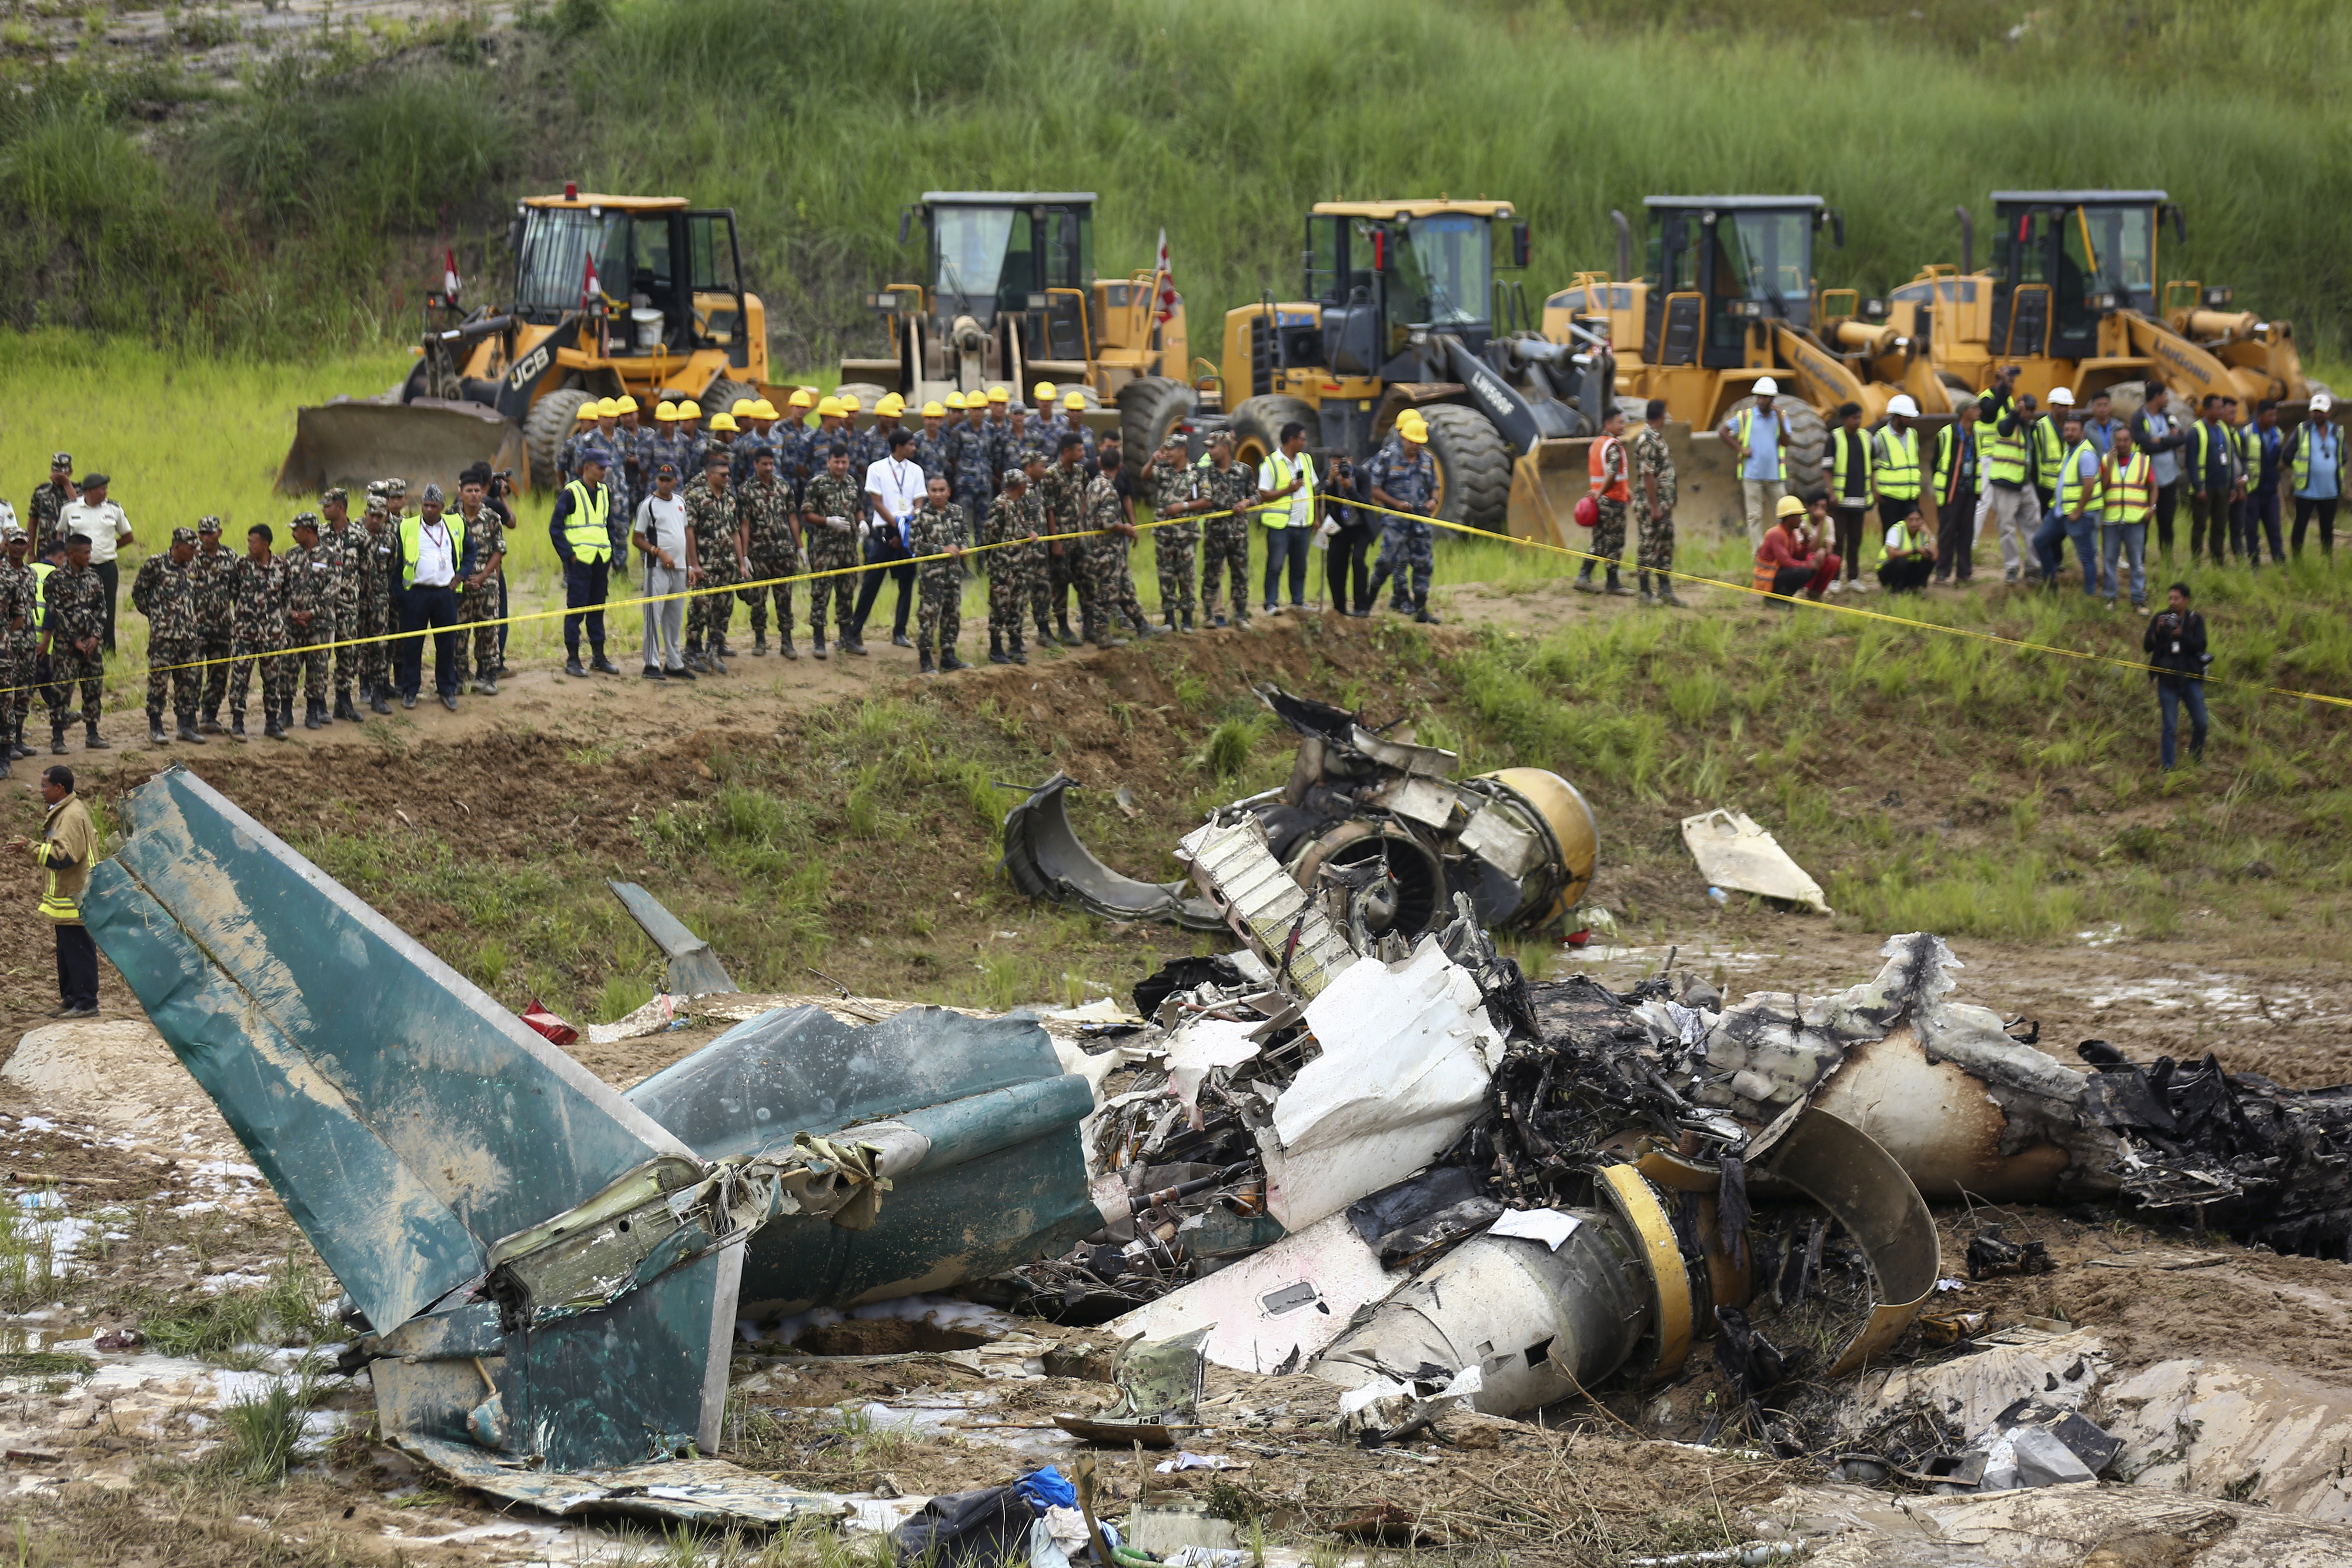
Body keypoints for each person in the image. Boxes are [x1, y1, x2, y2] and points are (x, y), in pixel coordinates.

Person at [12, 765, 98, 1015]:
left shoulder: (71, 815)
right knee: (66, 951)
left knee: (78, 950)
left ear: (59, 788)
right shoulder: (62, 811)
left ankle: (86, 1002)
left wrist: (30, 848)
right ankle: (71, 999)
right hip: (66, 896)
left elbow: (64, 857)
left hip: (77, 895)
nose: (41, 791)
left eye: (44, 786)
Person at [393, 486, 471, 711]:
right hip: (416, 594)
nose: (428, 510)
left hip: (445, 594)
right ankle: (410, 690)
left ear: (442, 507)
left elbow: (470, 552)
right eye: (425, 505)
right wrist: (401, 594)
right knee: (412, 644)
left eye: (433, 506)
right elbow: (398, 564)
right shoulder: (407, 527)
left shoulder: (455, 524)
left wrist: (461, 575)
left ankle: (446, 689)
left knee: (446, 644)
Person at [129, 526, 203, 746]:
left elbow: (193, 595)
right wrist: (156, 616)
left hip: (188, 635)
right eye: (191, 548)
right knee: (159, 681)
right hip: (164, 636)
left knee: (188, 681)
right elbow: (138, 593)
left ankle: (186, 726)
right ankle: (156, 726)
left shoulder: (193, 564)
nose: (194, 552)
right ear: (177, 546)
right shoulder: (156, 564)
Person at [551, 446, 620, 677]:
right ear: (587, 467)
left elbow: (608, 525)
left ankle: (598, 657)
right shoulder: (571, 493)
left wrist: (613, 552)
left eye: (606, 468)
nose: (604, 472)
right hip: (579, 561)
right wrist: (568, 555)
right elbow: (555, 528)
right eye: (601, 468)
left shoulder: (605, 492)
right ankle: (572, 659)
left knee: (597, 609)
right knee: (576, 610)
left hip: (601, 559)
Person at [857, 427, 927, 650]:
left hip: (908, 534)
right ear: (899, 447)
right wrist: (897, 526)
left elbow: (919, 504)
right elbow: (877, 503)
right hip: (884, 534)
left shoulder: (916, 471)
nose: (914, 448)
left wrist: (907, 526)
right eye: (911, 445)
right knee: (871, 584)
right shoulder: (877, 469)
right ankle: (854, 631)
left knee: (907, 584)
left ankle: (900, 632)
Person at [1366, 413, 1439, 618]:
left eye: (1419, 442)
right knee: (1388, 561)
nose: (1415, 446)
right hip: (1396, 522)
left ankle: (1421, 609)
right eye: (1412, 441)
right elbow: (1374, 488)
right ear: (1403, 437)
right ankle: (1367, 604)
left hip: (1420, 521)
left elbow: (1435, 487)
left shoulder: (1428, 459)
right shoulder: (1388, 457)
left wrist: (1434, 501)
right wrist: (1396, 504)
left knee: (1423, 564)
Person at [1084, 442, 1155, 646]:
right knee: (1107, 592)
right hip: (1105, 551)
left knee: (1126, 588)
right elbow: (1107, 521)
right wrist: (1126, 528)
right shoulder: (1109, 490)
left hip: (1104, 549)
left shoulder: (1094, 484)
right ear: (1120, 466)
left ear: (1099, 463)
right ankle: (1103, 636)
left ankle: (1143, 626)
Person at [41, 534, 106, 752]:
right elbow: (56, 613)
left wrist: (95, 637)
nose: (90, 556)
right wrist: (75, 640)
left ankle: (93, 733)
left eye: (90, 551)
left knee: (93, 687)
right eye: (86, 553)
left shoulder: (94, 577)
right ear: (71, 554)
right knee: (62, 691)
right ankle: (58, 737)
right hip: (66, 647)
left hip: (92, 646)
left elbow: (102, 609)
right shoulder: (55, 580)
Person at [228, 523, 292, 738]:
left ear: (265, 544)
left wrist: (275, 620)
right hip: (245, 633)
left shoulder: (282, 566)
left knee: (273, 679)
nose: (249, 546)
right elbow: (234, 592)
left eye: (253, 542)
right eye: (248, 541)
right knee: (239, 678)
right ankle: (237, 723)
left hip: (272, 634)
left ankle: (272, 723)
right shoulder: (241, 565)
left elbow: (287, 596)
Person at [632, 460, 695, 679]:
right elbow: (637, 539)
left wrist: (690, 565)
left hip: (679, 568)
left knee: (675, 618)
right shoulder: (648, 505)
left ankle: (674, 663)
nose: (665, 483)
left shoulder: (680, 502)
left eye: (669, 480)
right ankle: (651, 663)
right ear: (656, 480)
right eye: (661, 479)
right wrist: (659, 552)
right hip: (657, 567)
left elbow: (685, 534)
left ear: (676, 481)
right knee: (653, 615)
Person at [56, 473, 133, 652]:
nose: (105, 492)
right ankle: (79, 646)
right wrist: (66, 555)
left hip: (105, 566)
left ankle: (107, 648)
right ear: (89, 491)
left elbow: (128, 536)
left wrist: (110, 547)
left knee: (107, 608)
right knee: (77, 606)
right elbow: (60, 532)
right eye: (102, 489)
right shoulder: (70, 509)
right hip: (78, 568)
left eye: (106, 488)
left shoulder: (114, 509)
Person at [737, 446, 801, 658]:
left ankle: (787, 640)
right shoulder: (746, 490)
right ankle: (760, 639)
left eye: (771, 464)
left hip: (783, 552)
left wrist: (800, 547)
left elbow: (792, 517)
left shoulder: (784, 486)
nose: (768, 468)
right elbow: (744, 524)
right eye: (764, 464)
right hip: (759, 553)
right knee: (758, 599)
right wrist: (744, 556)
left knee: (785, 598)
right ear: (755, 465)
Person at [801, 444, 864, 660]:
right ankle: (819, 640)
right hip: (825, 549)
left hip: (848, 549)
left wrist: (862, 521)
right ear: (828, 462)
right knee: (821, 594)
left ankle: (846, 638)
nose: (841, 466)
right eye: (836, 462)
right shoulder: (817, 485)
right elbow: (807, 514)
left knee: (847, 593)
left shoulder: (851, 483)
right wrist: (827, 521)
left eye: (844, 462)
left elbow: (858, 507)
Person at [682, 449, 741, 670]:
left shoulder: (730, 500)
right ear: (710, 475)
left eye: (728, 474)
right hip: (705, 564)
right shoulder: (697, 497)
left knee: (724, 608)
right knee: (700, 607)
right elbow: (689, 531)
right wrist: (694, 564)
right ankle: (691, 650)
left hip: (727, 564)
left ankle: (714, 650)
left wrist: (741, 562)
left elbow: (735, 531)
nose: (727, 478)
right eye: (723, 474)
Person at [2030, 413, 2102, 595]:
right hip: (2060, 512)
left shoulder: (2086, 454)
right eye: (2067, 430)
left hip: (2078, 515)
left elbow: (2089, 485)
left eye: (2073, 430)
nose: (2069, 433)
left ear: (2082, 432)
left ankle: (2090, 595)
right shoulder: (2069, 450)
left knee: (2086, 557)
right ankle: (2051, 580)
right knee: (2040, 541)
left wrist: (2078, 511)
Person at [906, 473, 971, 673]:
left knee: (952, 614)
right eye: (934, 490)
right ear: (928, 493)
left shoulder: (957, 512)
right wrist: (940, 550)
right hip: (931, 577)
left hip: (953, 573)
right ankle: (925, 659)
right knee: (929, 615)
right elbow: (915, 545)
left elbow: (964, 535)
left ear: (949, 492)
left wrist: (964, 546)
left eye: (942, 490)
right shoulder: (920, 516)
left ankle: (949, 656)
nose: (938, 494)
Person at [1977, 382, 2039, 583]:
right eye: (2025, 409)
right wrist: (2015, 412)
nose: (2028, 414)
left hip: (2026, 485)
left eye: (2031, 410)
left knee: (2033, 526)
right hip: (2006, 484)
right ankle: (2012, 567)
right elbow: (2004, 428)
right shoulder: (2009, 424)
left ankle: (2033, 567)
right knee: (2006, 527)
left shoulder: (2032, 428)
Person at [1194, 432, 1255, 628]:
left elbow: (1256, 495)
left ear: (1225, 448)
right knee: (1211, 575)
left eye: (1213, 447)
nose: (1209, 451)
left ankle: (1240, 614)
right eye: (1209, 447)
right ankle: (1210, 614)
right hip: (1215, 534)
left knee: (1240, 574)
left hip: (1238, 533)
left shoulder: (1244, 471)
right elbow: (1201, 500)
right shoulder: (1206, 473)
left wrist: (1246, 502)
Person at [2144, 583, 2209, 770]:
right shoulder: (2160, 618)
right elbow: (2147, 647)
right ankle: (2168, 765)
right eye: (2170, 598)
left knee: (2202, 722)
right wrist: (2157, 632)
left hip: (2190, 679)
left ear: (2186, 600)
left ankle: (2196, 756)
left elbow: (2201, 646)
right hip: (2167, 680)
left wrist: (2182, 635)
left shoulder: (2196, 620)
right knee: (2170, 726)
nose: (2172, 602)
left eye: (2177, 599)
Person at [1140, 433, 1201, 631]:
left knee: (1187, 577)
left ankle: (1187, 619)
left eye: (1171, 449)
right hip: (1164, 534)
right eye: (1165, 449)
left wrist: (1182, 506)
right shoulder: (1163, 471)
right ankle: (1168, 618)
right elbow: (1145, 476)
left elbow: (1206, 500)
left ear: (1183, 451)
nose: (1167, 453)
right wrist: (1152, 460)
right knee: (1165, 576)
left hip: (1187, 534)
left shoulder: (1196, 473)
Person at [1039, 433, 1095, 644]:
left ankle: (1089, 626)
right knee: (1060, 584)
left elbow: (1085, 494)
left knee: (1087, 580)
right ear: (1066, 452)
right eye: (1079, 450)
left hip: (1079, 537)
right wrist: (1055, 541)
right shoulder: (1051, 475)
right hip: (1061, 539)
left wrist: (1081, 518)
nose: (1083, 454)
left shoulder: (1080, 471)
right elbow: (1049, 510)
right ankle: (1063, 628)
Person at [1257, 422, 1318, 614]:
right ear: (1292, 440)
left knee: (1300, 566)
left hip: (1303, 523)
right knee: (1275, 565)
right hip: (1280, 525)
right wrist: (1288, 490)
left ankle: (1298, 602)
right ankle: (1271, 603)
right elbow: (1263, 494)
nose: (1304, 443)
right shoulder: (1272, 463)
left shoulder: (1306, 460)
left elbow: (1313, 488)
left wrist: (1316, 517)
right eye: (1302, 439)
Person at [452, 472, 505, 693]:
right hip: (459, 585)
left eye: (477, 491)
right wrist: (460, 579)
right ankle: (458, 676)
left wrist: (483, 577)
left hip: (486, 584)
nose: (474, 495)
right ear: (461, 493)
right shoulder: (450, 518)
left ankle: (488, 675)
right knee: (458, 632)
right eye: (469, 491)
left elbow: (499, 550)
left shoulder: (492, 518)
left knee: (488, 631)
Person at [281, 513, 335, 730]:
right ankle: (286, 713)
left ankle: (313, 712)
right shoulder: (291, 555)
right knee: (288, 667)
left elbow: (333, 588)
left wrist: (313, 612)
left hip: (319, 623)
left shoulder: (330, 555)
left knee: (317, 669)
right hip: (294, 624)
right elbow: (283, 588)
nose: (293, 533)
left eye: (296, 529)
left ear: (309, 531)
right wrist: (291, 613)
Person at [319, 487, 369, 723]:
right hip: (323, 606)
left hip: (349, 604)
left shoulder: (359, 535)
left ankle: (344, 700)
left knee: (347, 653)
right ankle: (318, 704)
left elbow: (367, 570)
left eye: (327, 506)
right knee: (320, 654)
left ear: (340, 508)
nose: (323, 509)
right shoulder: (319, 534)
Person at [1719, 379, 1787, 549]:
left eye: (1765, 397)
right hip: (1752, 475)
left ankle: (1784, 549)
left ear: (1772, 399)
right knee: (1754, 516)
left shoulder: (1782, 417)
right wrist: (1740, 449)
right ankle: (1758, 553)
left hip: (1775, 475)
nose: (1761, 401)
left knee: (1783, 514)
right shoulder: (1745, 416)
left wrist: (1780, 420)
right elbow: (1723, 431)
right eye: (1759, 397)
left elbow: (1786, 442)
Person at [984, 464, 1038, 665]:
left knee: (1017, 605)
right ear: (1022, 486)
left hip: (1019, 566)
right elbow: (989, 537)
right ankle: (996, 647)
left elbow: (1017, 530)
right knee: (1000, 607)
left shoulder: (1016, 505)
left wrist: (1027, 535)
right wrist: (997, 560)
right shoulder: (1000, 506)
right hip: (1003, 567)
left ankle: (1015, 646)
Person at [2129, 385, 2191, 560]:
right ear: (2157, 397)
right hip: (2147, 480)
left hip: (2169, 478)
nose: (2167, 399)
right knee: (2144, 523)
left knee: (2167, 523)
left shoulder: (2167, 415)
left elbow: (2181, 438)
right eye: (2165, 395)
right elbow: (2146, 445)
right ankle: (2139, 561)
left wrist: (2162, 440)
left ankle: (2167, 560)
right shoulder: (2138, 418)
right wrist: (2168, 440)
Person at [1630, 398, 1682, 607]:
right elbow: (1648, 475)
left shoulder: (1656, 438)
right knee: (1648, 545)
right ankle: (1644, 592)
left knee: (1665, 544)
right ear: (1662, 416)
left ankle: (1665, 588)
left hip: (1663, 505)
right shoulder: (1648, 440)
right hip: (1652, 505)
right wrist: (1654, 506)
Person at [2099, 424, 2153, 611]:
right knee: (2109, 561)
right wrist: (2111, 463)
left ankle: (2138, 598)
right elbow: (2102, 487)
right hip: (2111, 520)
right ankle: (2110, 598)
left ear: (2131, 442)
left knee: (2136, 562)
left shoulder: (2143, 461)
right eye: (2119, 440)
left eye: (2125, 440)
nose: (2122, 444)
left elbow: (2153, 486)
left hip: (2135, 519)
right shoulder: (2106, 460)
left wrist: (2151, 507)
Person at [2184, 394, 2241, 567]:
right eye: (2218, 408)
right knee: (2200, 526)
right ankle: (2196, 562)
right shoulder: (2196, 431)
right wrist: (2198, 487)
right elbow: (2191, 462)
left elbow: (2230, 459)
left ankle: (2218, 562)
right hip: (2205, 487)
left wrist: (2232, 486)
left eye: (2222, 408)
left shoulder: (2224, 429)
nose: (2221, 412)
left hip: (2222, 486)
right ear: (2207, 409)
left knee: (2219, 526)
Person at [1751, 493, 1839, 603]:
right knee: (1804, 571)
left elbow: (1799, 556)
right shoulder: (1776, 534)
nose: (1801, 520)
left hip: (1777, 574)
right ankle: (1774, 599)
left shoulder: (1790, 534)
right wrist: (1808, 565)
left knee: (1808, 570)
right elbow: (1786, 562)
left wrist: (1806, 540)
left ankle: (1786, 597)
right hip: (1767, 578)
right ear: (1790, 517)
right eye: (1799, 516)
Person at [1824, 402, 1873, 593]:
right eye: (1855, 418)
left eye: (1860, 418)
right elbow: (1827, 469)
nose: (1858, 422)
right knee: (1837, 540)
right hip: (1840, 501)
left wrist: (1873, 492)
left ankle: (1853, 578)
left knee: (1855, 540)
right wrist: (1832, 493)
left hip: (1859, 500)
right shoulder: (1834, 438)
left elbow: (1873, 467)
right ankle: (1834, 579)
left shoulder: (1866, 438)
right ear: (1845, 419)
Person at [192, 516, 235, 730]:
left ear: (219, 532)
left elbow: (238, 591)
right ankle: (189, 719)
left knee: (219, 673)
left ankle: (210, 716)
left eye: (210, 533)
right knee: (192, 674)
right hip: (196, 627)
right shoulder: (191, 556)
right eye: (202, 533)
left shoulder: (231, 557)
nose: (206, 538)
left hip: (222, 626)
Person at [356, 487, 396, 714]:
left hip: (379, 601)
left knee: (380, 646)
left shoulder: (389, 539)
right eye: (372, 515)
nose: (375, 520)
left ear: (386, 517)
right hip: (356, 601)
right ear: (365, 513)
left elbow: (390, 569)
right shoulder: (354, 536)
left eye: (380, 516)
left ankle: (378, 695)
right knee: (358, 646)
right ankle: (362, 687)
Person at [2287, 392, 2343, 557]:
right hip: (2306, 490)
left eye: (2322, 411)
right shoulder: (2302, 430)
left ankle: (2327, 560)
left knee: (2327, 528)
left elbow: (2343, 456)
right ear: (2311, 412)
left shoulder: (2338, 432)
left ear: (2329, 412)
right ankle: (2297, 560)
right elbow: (2288, 455)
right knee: (2301, 525)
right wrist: (2300, 469)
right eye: (2315, 411)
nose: (2318, 415)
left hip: (2329, 490)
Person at [1320, 453, 1375, 617]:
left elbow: (1366, 505)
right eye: (1336, 465)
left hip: (1361, 527)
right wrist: (1329, 483)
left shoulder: (1362, 475)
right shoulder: (1327, 475)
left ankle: (1361, 607)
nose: (1341, 468)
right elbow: (1324, 501)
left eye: (1343, 463)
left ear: (1351, 460)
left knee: (1358, 561)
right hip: (1340, 528)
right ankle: (1339, 608)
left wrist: (1350, 488)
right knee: (1335, 565)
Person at [0, 526, 36, 766]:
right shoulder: (2, 572)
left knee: (26, 690)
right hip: (7, 645)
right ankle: (8, 743)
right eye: (14, 543)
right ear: (6, 544)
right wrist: (7, 636)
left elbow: (28, 610)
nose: (19, 547)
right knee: (8, 694)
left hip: (28, 641)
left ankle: (20, 737)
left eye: (23, 543)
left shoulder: (31, 573)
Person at [1931, 402, 1977, 583]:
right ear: (1965, 412)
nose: (1979, 412)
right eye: (1975, 408)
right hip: (1951, 492)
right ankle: (1942, 572)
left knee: (1967, 532)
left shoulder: (1976, 435)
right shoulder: (1947, 434)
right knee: (1947, 532)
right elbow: (1935, 463)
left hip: (1969, 491)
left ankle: (1964, 573)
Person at [2238, 399, 2286, 569]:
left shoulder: (2278, 435)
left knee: (2274, 528)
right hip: (2253, 490)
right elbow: (2240, 459)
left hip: (2271, 490)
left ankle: (2279, 561)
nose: (2274, 419)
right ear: (2260, 416)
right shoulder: (2246, 434)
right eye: (2270, 415)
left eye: (2275, 415)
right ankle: (2254, 562)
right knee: (2251, 530)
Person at [2029, 387, 2073, 517]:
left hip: (2065, 483)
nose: (2064, 409)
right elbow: (2036, 457)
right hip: (2046, 485)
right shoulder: (2040, 426)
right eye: (2061, 406)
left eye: (2066, 406)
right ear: (2053, 406)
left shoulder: (2070, 427)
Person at [1876, 506, 1936, 593]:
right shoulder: (1896, 530)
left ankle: (1915, 587)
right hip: (1888, 569)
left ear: (1922, 521)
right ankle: (1896, 590)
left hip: (1909, 568)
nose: (1914, 523)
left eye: (1918, 520)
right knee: (1901, 562)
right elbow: (1892, 555)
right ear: (1905, 520)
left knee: (1928, 559)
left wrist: (1930, 534)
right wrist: (1915, 550)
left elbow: (1935, 557)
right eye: (1911, 520)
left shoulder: (1924, 532)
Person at [28, 454, 73, 558]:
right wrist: (30, 553)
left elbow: (79, 508)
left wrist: (67, 484)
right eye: (55, 472)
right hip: (45, 549)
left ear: (70, 472)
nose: (58, 476)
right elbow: (33, 522)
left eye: (62, 473)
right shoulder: (41, 492)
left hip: (71, 550)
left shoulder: (79, 490)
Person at [2083, 389, 2122, 454]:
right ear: (2093, 407)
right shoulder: (2086, 429)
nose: (2102, 408)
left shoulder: (2119, 427)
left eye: (2105, 405)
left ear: (2110, 407)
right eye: (2099, 405)